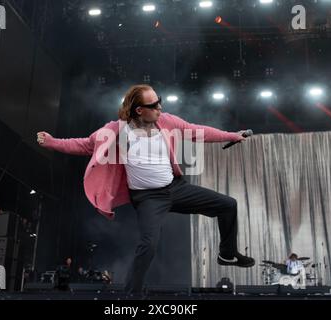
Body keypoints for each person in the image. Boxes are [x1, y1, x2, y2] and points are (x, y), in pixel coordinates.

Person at [37, 84, 255, 295]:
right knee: (148, 245)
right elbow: (84, 145)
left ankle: (226, 254)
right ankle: (131, 295)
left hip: (175, 189)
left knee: (228, 205)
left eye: (159, 102)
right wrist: (52, 142)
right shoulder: (116, 130)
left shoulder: (166, 122)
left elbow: (198, 131)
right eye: (155, 105)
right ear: (139, 110)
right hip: (149, 198)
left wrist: (232, 135)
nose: (160, 108)